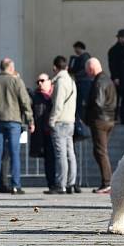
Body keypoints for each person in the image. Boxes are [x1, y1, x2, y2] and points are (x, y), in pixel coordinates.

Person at [0, 57, 34, 195]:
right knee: (14, 153)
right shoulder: (16, 81)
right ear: (10, 68)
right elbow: (25, 102)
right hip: (14, 121)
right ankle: (16, 185)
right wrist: (30, 120)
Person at [48, 55, 79, 194]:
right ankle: (71, 183)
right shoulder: (72, 81)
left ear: (55, 67)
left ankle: (61, 184)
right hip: (70, 121)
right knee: (70, 154)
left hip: (60, 122)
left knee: (61, 155)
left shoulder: (60, 82)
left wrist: (52, 120)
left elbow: (58, 105)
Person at [85, 57, 116, 194]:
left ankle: (107, 183)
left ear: (91, 68)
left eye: (87, 70)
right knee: (100, 151)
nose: (87, 73)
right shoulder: (108, 79)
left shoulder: (99, 81)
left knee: (101, 152)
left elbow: (98, 102)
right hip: (109, 119)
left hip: (100, 120)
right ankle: (107, 182)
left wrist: (89, 114)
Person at [30, 73, 56, 192]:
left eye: (42, 80)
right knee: (49, 159)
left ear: (49, 81)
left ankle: (66, 183)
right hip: (44, 132)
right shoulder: (36, 96)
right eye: (37, 82)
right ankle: (52, 183)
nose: (40, 83)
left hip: (57, 130)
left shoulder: (56, 94)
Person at [108, 29, 124, 124]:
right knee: (116, 101)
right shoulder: (114, 50)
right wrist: (115, 77)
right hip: (118, 80)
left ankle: (123, 118)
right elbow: (112, 65)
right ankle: (115, 118)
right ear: (120, 38)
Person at [68, 41, 92, 121]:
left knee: (83, 101)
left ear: (79, 48)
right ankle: (81, 118)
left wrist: (75, 75)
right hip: (81, 82)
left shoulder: (85, 57)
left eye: (75, 49)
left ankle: (84, 118)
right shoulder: (80, 58)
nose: (75, 51)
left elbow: (84, 70)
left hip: (84, 82)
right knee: (80, 102)